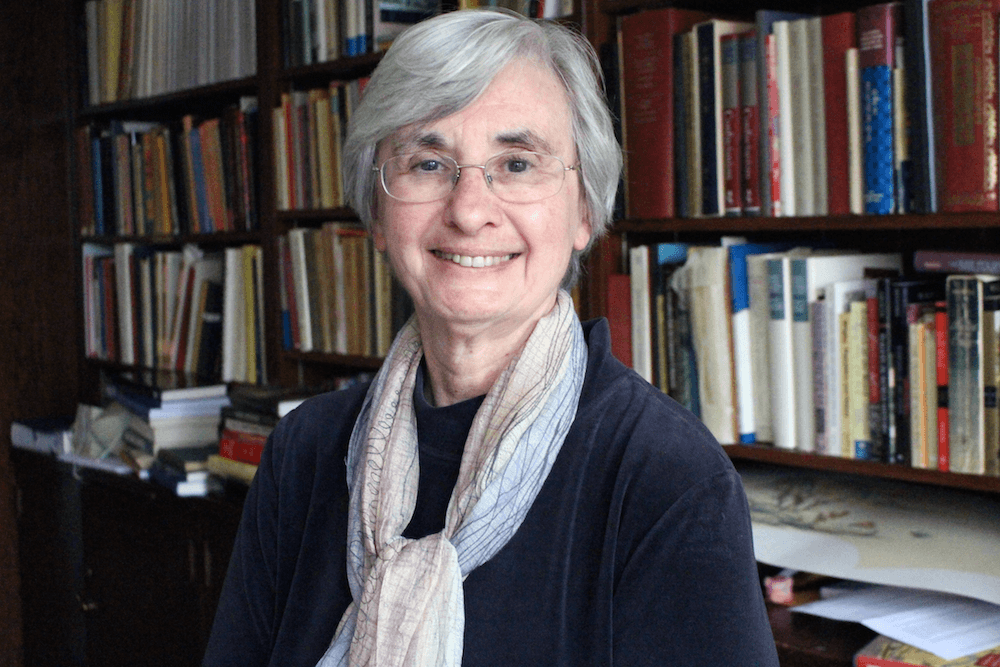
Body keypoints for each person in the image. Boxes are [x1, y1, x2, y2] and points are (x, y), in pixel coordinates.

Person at [203, 8, 779, 667]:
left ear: (584, 211)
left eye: (516, 163)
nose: (469, 209)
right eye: (427, 162)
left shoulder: (668, 482)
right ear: (379, 213)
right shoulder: (304, 453)